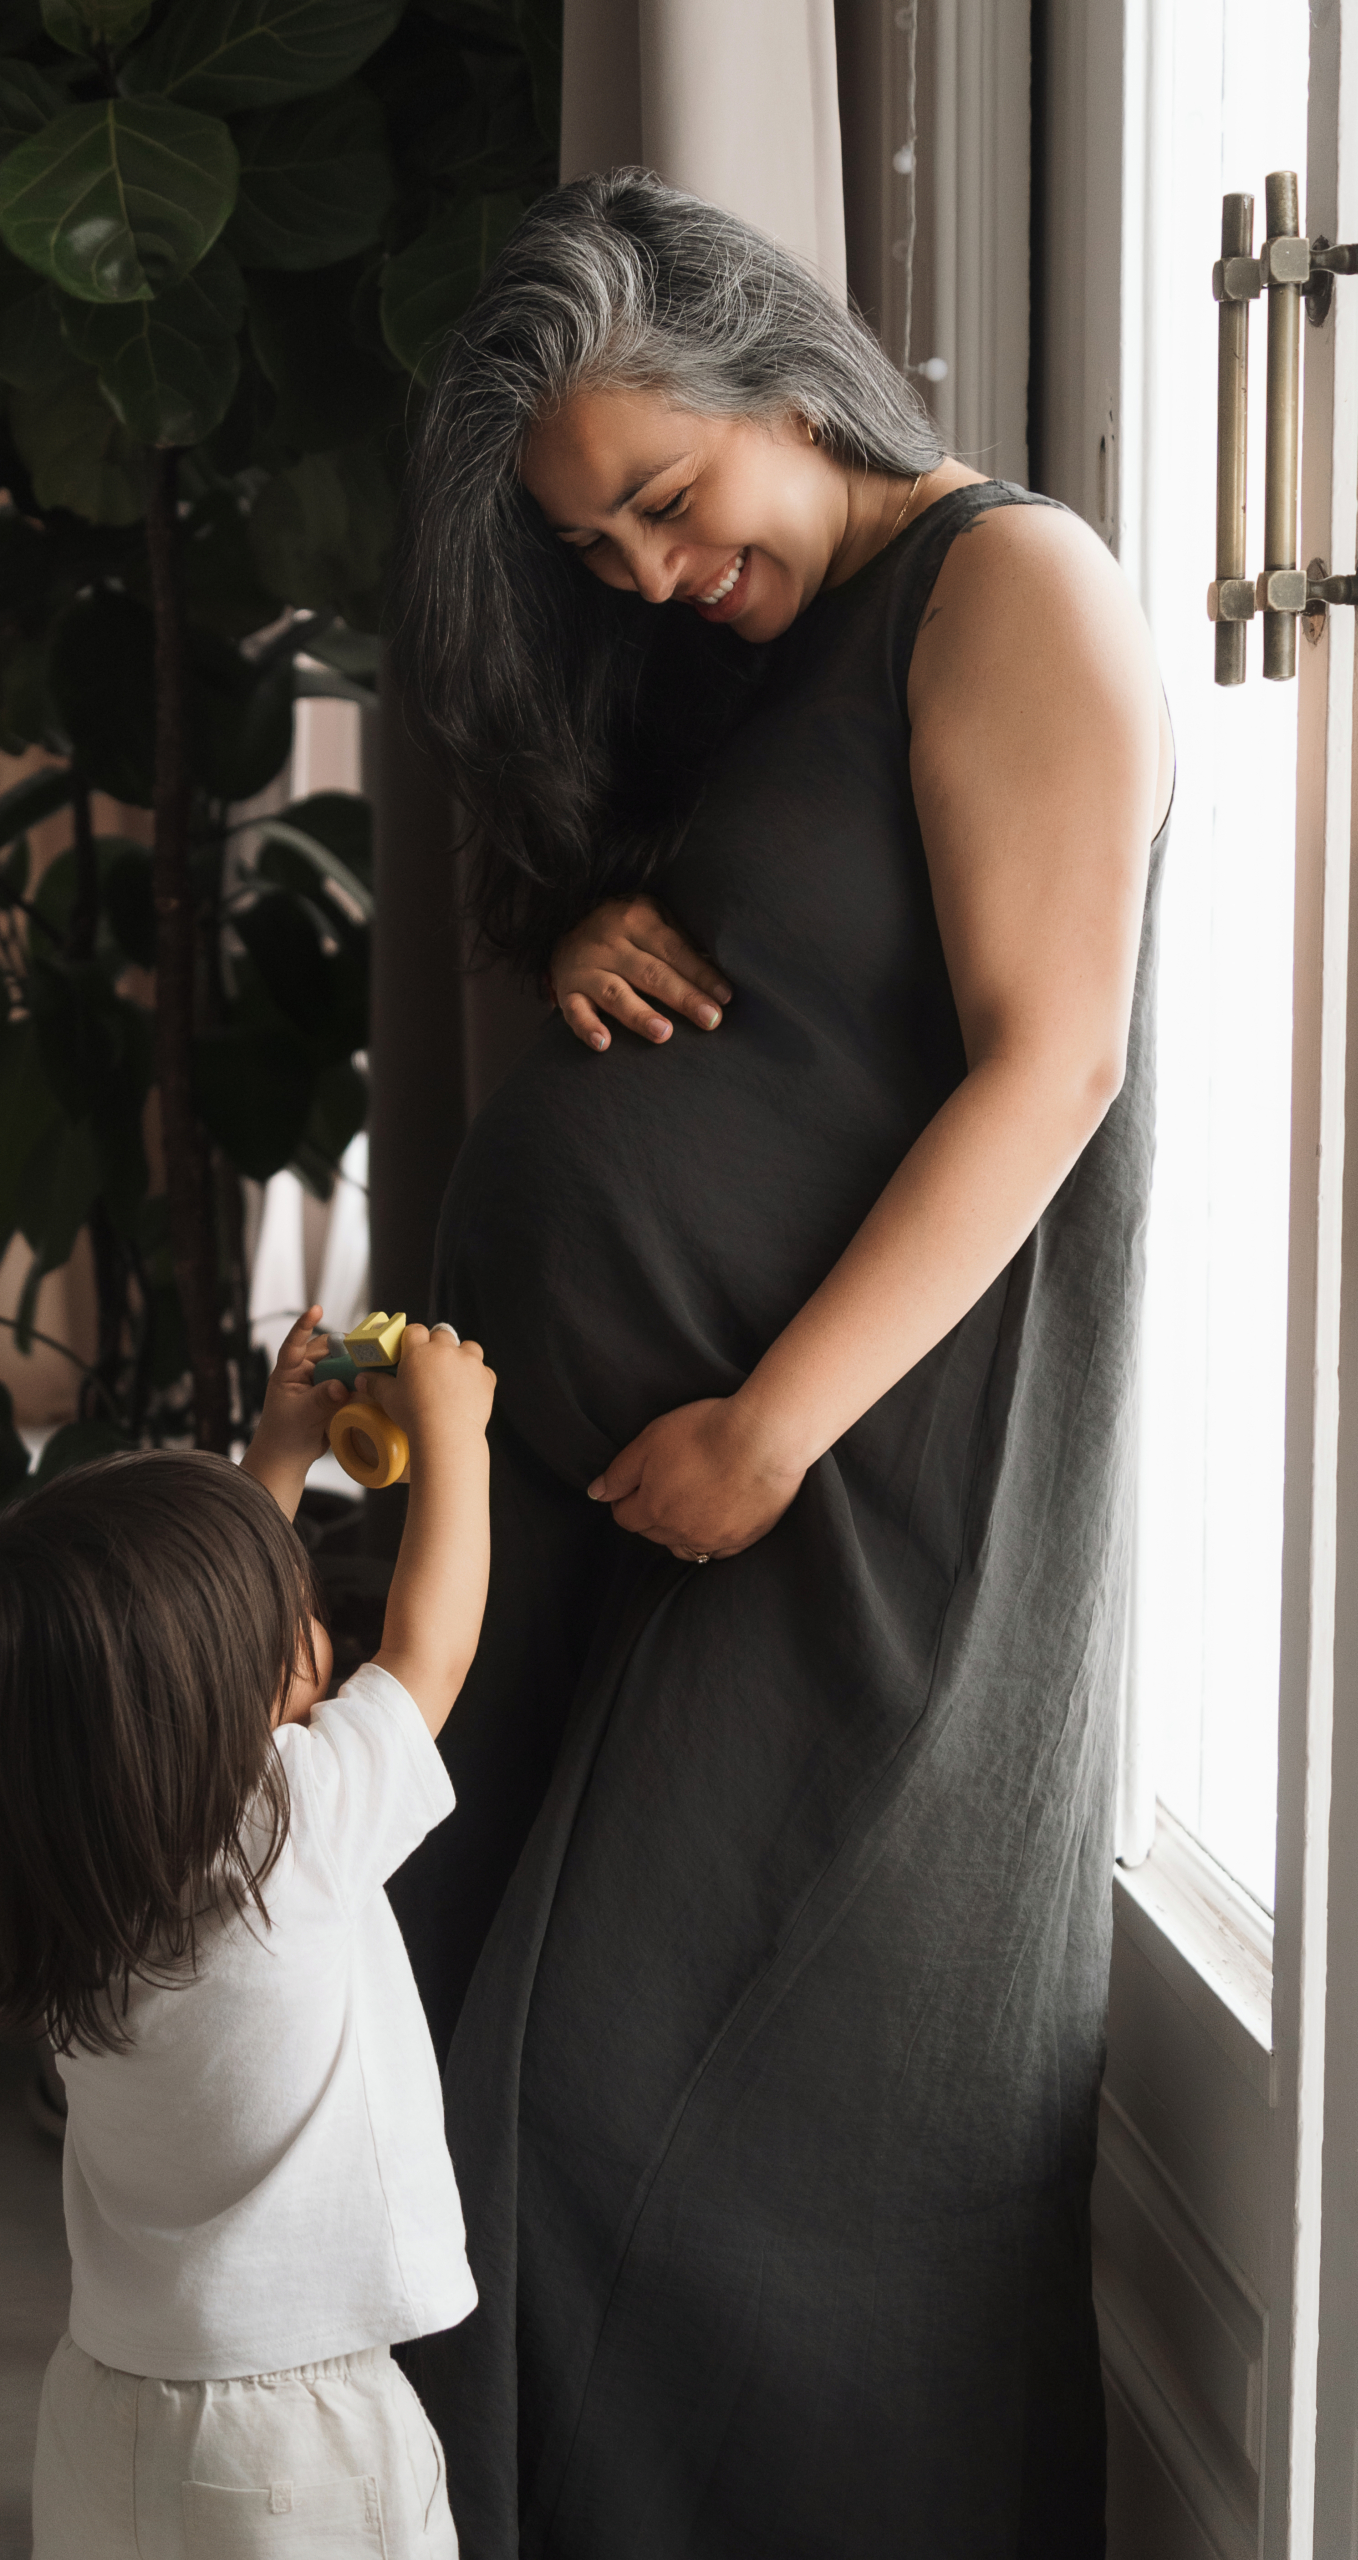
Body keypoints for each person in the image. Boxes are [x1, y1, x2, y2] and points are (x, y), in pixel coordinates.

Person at [387, 172, 1173, 2557]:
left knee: (654, 2100)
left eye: (656, 496)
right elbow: (765, 976)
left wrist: (767, 1421)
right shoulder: (728, 646)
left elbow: (1044, 1072)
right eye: (583, 539)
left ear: (779, 376)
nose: (631, 565)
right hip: (596, 1489)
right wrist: (591, 912)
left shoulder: (1011, 584)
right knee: (449, 2035)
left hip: (836, 1477)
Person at [0, 1311, 496, 2560]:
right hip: (298, 2434)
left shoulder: (65, 1858)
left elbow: (170, 1650)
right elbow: (429, 1654)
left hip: (105, 2404)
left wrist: (277, 1447)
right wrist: (457, 1441)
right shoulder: (286, 1831)